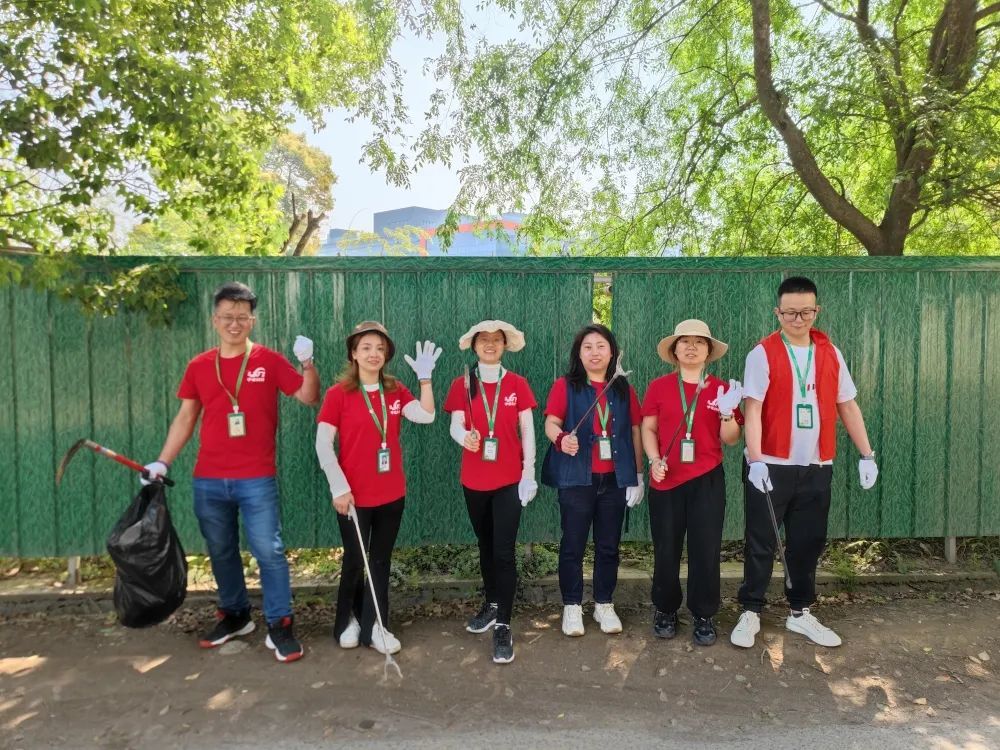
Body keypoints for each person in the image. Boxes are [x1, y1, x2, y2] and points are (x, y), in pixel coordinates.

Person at [143, 281, 319, 663]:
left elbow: (308, 397)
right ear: (215, 320)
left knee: (269, 551)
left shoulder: (269, 361)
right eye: (227, 317)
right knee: (221, 551)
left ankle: (280, 624)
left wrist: (307, 364)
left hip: (256, 477)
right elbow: (185, 418)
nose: (234, 323)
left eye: (241, 316)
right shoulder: (199, 366)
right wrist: (162, 461)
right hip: (208, 478)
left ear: (252, 321)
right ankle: (236, 616)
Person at [732, 276, 879, 649]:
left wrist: (867, 454)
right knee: (761, 541)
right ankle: (750, 610)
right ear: (777, 312)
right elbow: (753, 410)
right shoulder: (762, 353)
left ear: (817, 310)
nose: (798, 319)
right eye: (790, 313)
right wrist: (756, 460)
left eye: (805, 312)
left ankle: (800, 612)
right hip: (770, 465)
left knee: (807, 542)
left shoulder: (830, 353)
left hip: (816, 465)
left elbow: (847, 405)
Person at [315, 321, 440, 655]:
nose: (374, 354)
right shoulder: (338, 394)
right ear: (354, 354)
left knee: (380, 561)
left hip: (391, 494)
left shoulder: (395, 390)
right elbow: (323, 444)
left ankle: (376, 626)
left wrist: (425, 380)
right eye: (366, 347)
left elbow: (426, 415)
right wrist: (338, 488)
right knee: (355, 560)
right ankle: (347, 620)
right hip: (352, 497)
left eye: (380, 348)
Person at [640, 320, 743, 646]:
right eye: (684, 341)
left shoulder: (722, 389)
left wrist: (727, 413)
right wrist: (654, 460)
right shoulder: (659, 387)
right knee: (666, 548)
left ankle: (704, 613)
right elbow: (648, 429)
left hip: (707, 480)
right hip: (666, 479)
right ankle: (665, 609)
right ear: (674, 350)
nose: (692, 347)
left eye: (700, 342)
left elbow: (731, 439)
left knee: (706, 549)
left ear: (709, 351)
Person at [443, 320, 538, 664]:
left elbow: (527, 430)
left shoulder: (517, 384)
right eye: (483, 339)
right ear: (474, 345)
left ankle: (503, 626)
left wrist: (528, 472)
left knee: (503, 552)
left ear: (505, 345)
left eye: (496, 340)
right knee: (485, 545)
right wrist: (463, 437)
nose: (490, 344)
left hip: (510, 480)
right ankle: (493, 603)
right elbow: (454, 425)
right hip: (474, 480)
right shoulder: (462, 384)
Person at [541, 323, 644, 637]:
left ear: (612, 352)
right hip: (577, 480)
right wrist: (562, 439)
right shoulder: (565, 386)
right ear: (579, 353)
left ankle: (604, 603)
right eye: (587, 347)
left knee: (608, 546)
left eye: (601, 346)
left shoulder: (623, 388)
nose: (594, 352)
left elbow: (635, 432)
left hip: (614, 480)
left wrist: (638, 475)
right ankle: (572, 606)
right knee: (572, 545)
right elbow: (550, 423)